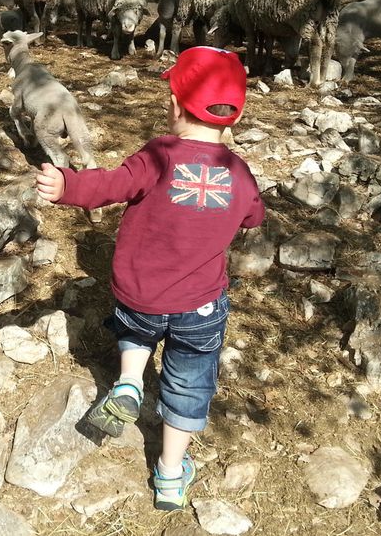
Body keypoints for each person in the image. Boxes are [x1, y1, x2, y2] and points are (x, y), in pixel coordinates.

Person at [35, 46, 265, 511]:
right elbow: (253, 219)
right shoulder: (238, 173)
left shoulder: (158, 155)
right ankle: (170, 476)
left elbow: (111, 184)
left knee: (137, 330)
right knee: (188, 381)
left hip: (140, 294)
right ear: (233, 118)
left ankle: (129, 382)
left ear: (176, 107)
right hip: (199, 306)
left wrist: (67, 185)